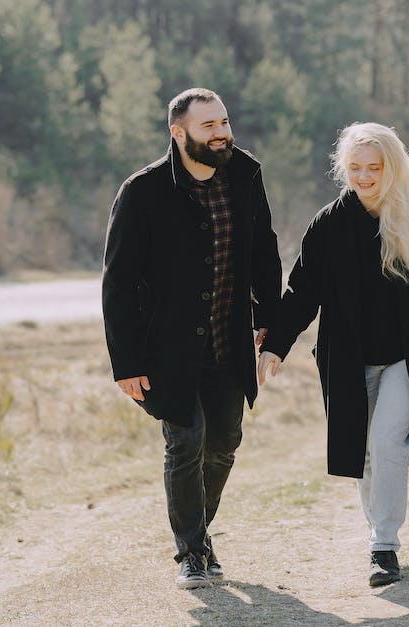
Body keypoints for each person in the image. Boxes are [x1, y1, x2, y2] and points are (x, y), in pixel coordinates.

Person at [258, 122, 409, 587]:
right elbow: (301, 292)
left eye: (373, 168)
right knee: (362, 452)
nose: (363, 177)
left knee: (385, 442)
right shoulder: (328, 225)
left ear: (392, 168)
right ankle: (378, 529)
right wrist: (277, 343)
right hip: (349, 359)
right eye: (354, 168)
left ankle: (384, 545)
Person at [102, 88, 282, 589]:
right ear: (178, 133)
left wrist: (268, 315)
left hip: (228, 339)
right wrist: (126, 360)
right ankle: (191, 552)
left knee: (224, 443)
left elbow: (265, 247)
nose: (222, 132)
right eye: (209, 126)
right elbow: (117, 281)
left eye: (224, 121)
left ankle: (199, 535)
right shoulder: (142, 191)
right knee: (186, 441)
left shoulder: (246, 174)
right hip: (168, 347)